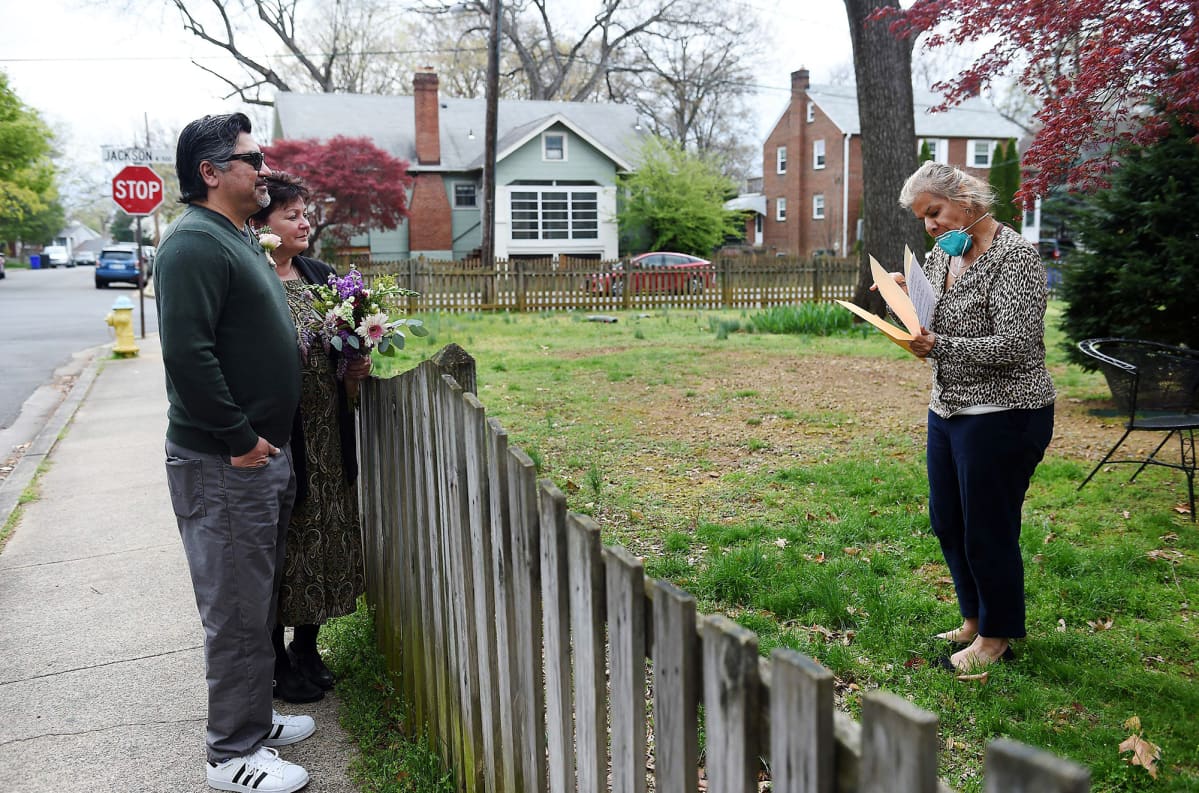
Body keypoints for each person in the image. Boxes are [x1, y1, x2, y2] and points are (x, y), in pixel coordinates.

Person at [156, 113, 313, 793]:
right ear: (211, 172)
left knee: (256, 598)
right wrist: (241, 439)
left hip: (254, 456)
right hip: (226, 462)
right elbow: (188, 356)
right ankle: (230, 754)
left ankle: (253, 720)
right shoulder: (192, 245)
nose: (267, 170)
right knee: (235, 611)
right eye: (254, 159)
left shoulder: (238, 236)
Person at [896, 161, 1056, 673]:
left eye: (935, 212)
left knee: (988, 526)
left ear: (967, 198)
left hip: (1006, 411)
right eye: (923, 218)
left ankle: (996, 636)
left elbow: (1016, 343)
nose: (931, 226)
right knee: (949, 520)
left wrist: (939, 343)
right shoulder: (947, 255)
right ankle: (973, 618)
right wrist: (906, 294)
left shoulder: (1017, 259)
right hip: (948, 407)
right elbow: (937, 312)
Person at [249, 172, 369, 704]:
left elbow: (338, 349)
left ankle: (307, 647)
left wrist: (354, 364)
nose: (304, 222)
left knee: (327, 538)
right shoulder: (252, 278)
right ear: (261, 224)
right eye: (291, 214)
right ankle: (274, 659)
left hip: (326, 434)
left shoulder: (320, 276)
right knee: (285, 545)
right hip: (282, 438)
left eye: (305, 213)